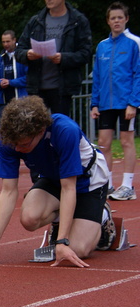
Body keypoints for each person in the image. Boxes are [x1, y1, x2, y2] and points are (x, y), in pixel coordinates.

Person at [0, 96, 114, 268]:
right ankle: (61, 219)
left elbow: (69, 188)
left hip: (88, 181)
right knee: (29, 218)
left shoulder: (65, 130)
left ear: (41, 131)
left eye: (25, 145)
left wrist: (62, 241)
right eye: (15, 145)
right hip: (53, 177)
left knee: (78, 249)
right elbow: (8, 191)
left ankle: (102, 214)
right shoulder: (9, 140)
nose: (19, 150)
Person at [91, 2, 140, 201]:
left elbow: (138, 74)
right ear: (108, 21)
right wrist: (94, 103)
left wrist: (133, 103)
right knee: (103, 143)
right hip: (106, 103)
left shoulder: (134, 42)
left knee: (127, 141)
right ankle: (107, 185)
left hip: (126, 101)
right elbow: (97, 76)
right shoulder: (102, 46)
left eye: (120, 17)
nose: (116, 21)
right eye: (113, 18)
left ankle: (127, 186)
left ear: (126, 19)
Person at [15, 0, 92, 116]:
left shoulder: (78, 21)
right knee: (35, 130)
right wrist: (27, 54)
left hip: (62, 89)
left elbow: (85, 53)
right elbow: (19, 51)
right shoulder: (36, 21)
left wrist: (63, 58)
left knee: (61, 128)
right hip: (36, 88)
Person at [0, 30, 28, 120]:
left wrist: (10, 82)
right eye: (3, 42)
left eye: (8, 41)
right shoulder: (0, 58)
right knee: (4, 131)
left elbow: (28, 78)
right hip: (4, 101)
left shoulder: (23, 56)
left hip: (21, 100)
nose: (5, 44)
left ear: (14, 40)